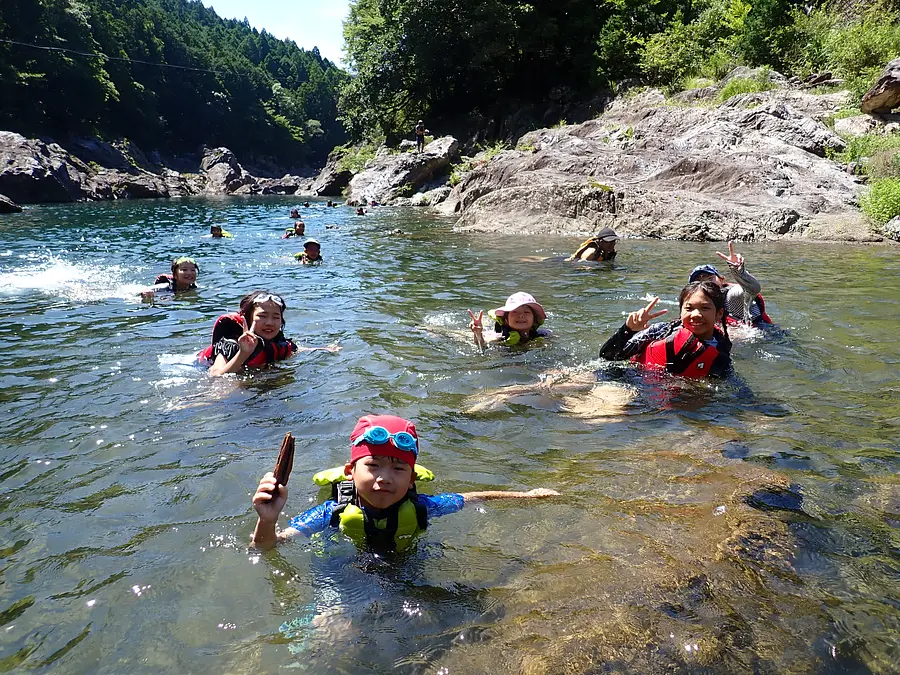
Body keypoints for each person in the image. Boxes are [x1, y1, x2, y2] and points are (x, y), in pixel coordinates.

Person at [250, 414, 559, 551]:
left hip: (403, 564)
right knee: (333, 629)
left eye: (398, 469)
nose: (384, 477)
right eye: (373, 466)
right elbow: (267, 547)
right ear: (349, 472)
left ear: (412, 479)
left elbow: (474, 497)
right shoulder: (331, 512)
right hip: (343, 571)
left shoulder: (423, 506)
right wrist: (268, 519)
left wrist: (527, 495)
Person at [598, 281, 733, 379]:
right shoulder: (660, 331)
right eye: (689, 308)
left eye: (705, 308)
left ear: (719, 314)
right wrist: (628, 330)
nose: (696, 314)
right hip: (630, 379)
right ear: (681, 312)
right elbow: (607, 357)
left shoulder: (721, 349)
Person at [199, 290, 340, 376]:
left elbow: (294, 350)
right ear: (247, 318)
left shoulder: (277, 342)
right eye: (262, 316)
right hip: (200, 366)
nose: (270, 323)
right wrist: (243, 353)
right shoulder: (231, 344)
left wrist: (323, 349)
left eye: (276, 317)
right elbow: (215, 374)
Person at [688, 242, 772, 326]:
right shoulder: (692, 308)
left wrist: (739, 272)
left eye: (710, 279)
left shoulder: (732, 298)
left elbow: (753, 289)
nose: (705, 284)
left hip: (762, 332)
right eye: (698, 282)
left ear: (721, 280)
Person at [469, 292, 551, 349]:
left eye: (526, 312)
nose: (521, 315)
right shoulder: (499, 338)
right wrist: (478, 334)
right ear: (506, 320)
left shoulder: (544, 336)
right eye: (515, 312)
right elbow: (482, 344)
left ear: (534, 320)